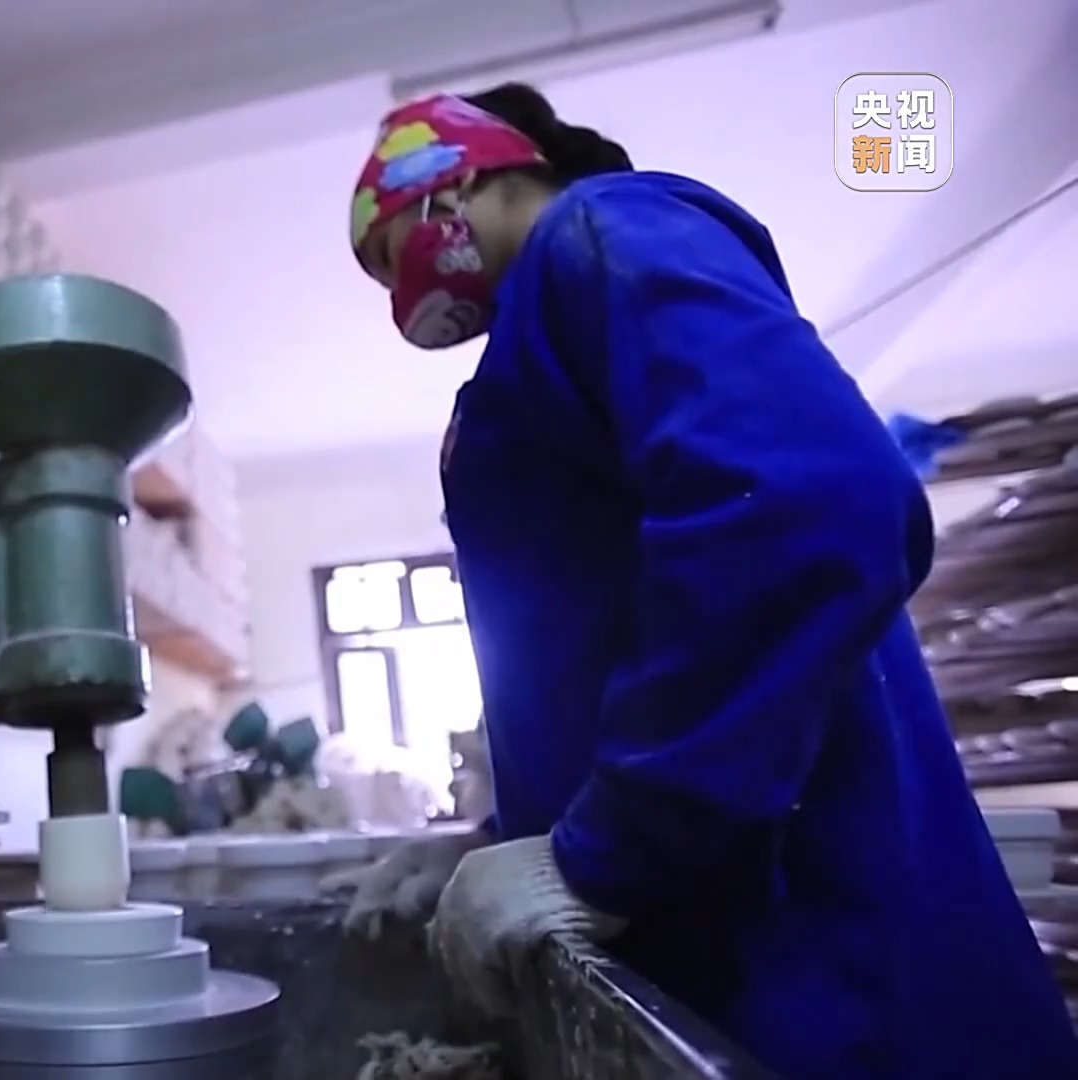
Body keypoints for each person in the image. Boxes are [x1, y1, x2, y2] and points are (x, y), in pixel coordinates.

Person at [334, 83, 1078, 1079]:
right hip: (714, 960)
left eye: (390, 251)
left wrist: (606, 851)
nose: (399, 290)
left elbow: (808, 507)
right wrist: (503, 834)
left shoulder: (605, 232)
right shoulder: (531, 354)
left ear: (456, 182)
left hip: (814, 954)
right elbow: (603, 640)